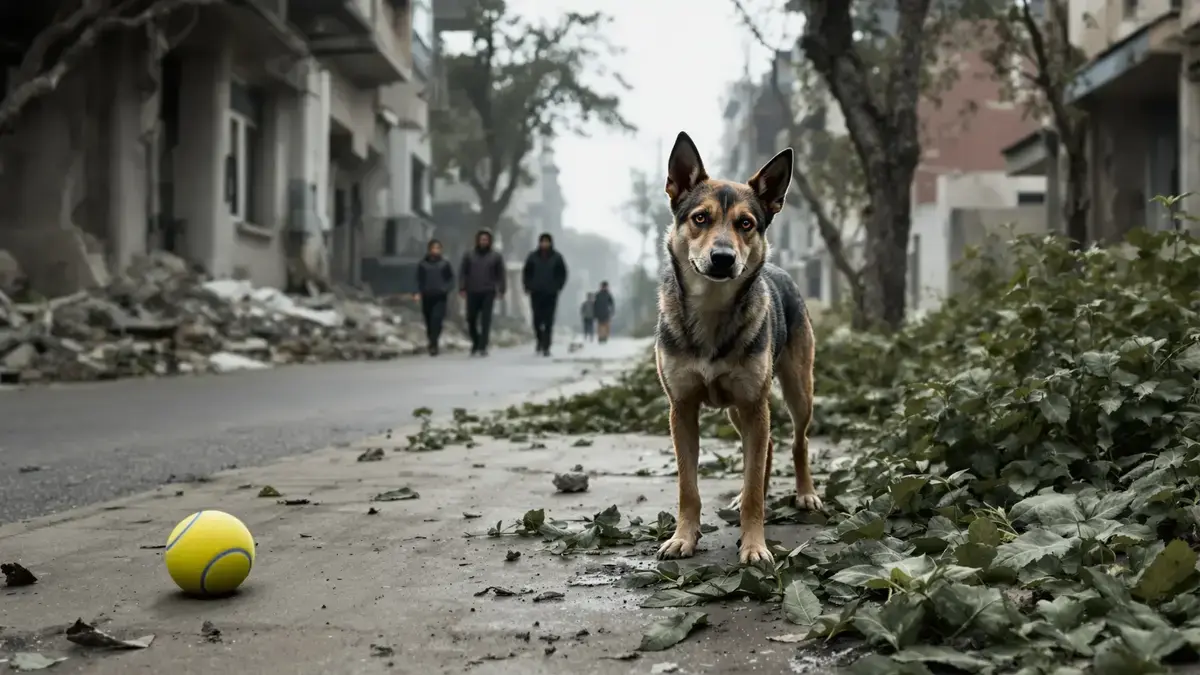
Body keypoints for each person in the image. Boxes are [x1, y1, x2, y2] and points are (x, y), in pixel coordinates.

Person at [459, 229, 507, 356]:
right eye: (481, 239)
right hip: (472, 290)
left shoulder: (496, 256)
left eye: (486, 239)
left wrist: (501, 289)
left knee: (486, 320)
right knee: (471, 319)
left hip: (488, 291)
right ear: (477, 240)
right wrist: (462, 288)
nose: (483, 242)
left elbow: (501, 274)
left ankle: (483, 346)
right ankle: (476, 341)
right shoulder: (469, 255)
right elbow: (463, 272)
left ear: (490, 241)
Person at [522, 232, 568, 356]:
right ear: (539, 243)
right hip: (536, 292)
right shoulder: (532, 257)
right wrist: (527, 286)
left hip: (551, 293)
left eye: (547, 242)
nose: (544, 244)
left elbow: (562, 274)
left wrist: (558, 286)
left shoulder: (557, 257)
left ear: (550, 243)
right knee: (537, 319)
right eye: (542, 241)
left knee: (548, 320)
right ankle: (539, 340)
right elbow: (526, 273)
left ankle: (547, 345)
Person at [414, 239, 454, 356]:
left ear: (440, 250)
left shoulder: (445, 264)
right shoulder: (423, 264)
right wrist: (417, 292)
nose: (435, 250)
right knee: (429, 321)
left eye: (437, 248)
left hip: (440, 296)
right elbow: (418, 280)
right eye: (433, 248)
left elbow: (451, 279)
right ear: (429, 249)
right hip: (427, 296)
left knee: (437, 319)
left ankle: (434, 344)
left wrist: (446, 289)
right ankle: (431, 341)